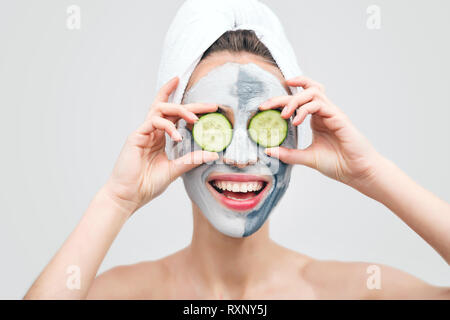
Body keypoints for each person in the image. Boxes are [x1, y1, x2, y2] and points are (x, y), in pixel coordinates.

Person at [24, 4, 449, 300]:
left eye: (266, 124)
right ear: (172, 132)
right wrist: (115, 199)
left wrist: (373, 173)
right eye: (215, 125)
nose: (243, 156)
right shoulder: (115, 294)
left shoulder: (359, 291)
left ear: (296, 131)